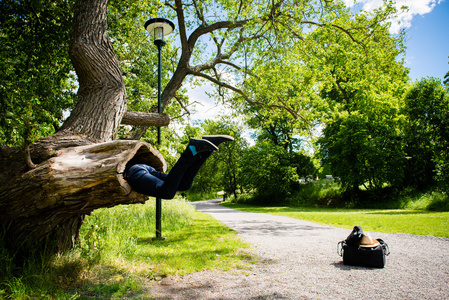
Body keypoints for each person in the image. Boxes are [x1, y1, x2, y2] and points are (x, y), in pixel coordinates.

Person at [124, 135, 234, 199]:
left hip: (135, 172)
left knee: (168, 191)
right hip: (141, 170)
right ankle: (206, 151)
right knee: (183, 185)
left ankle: (192, 150)